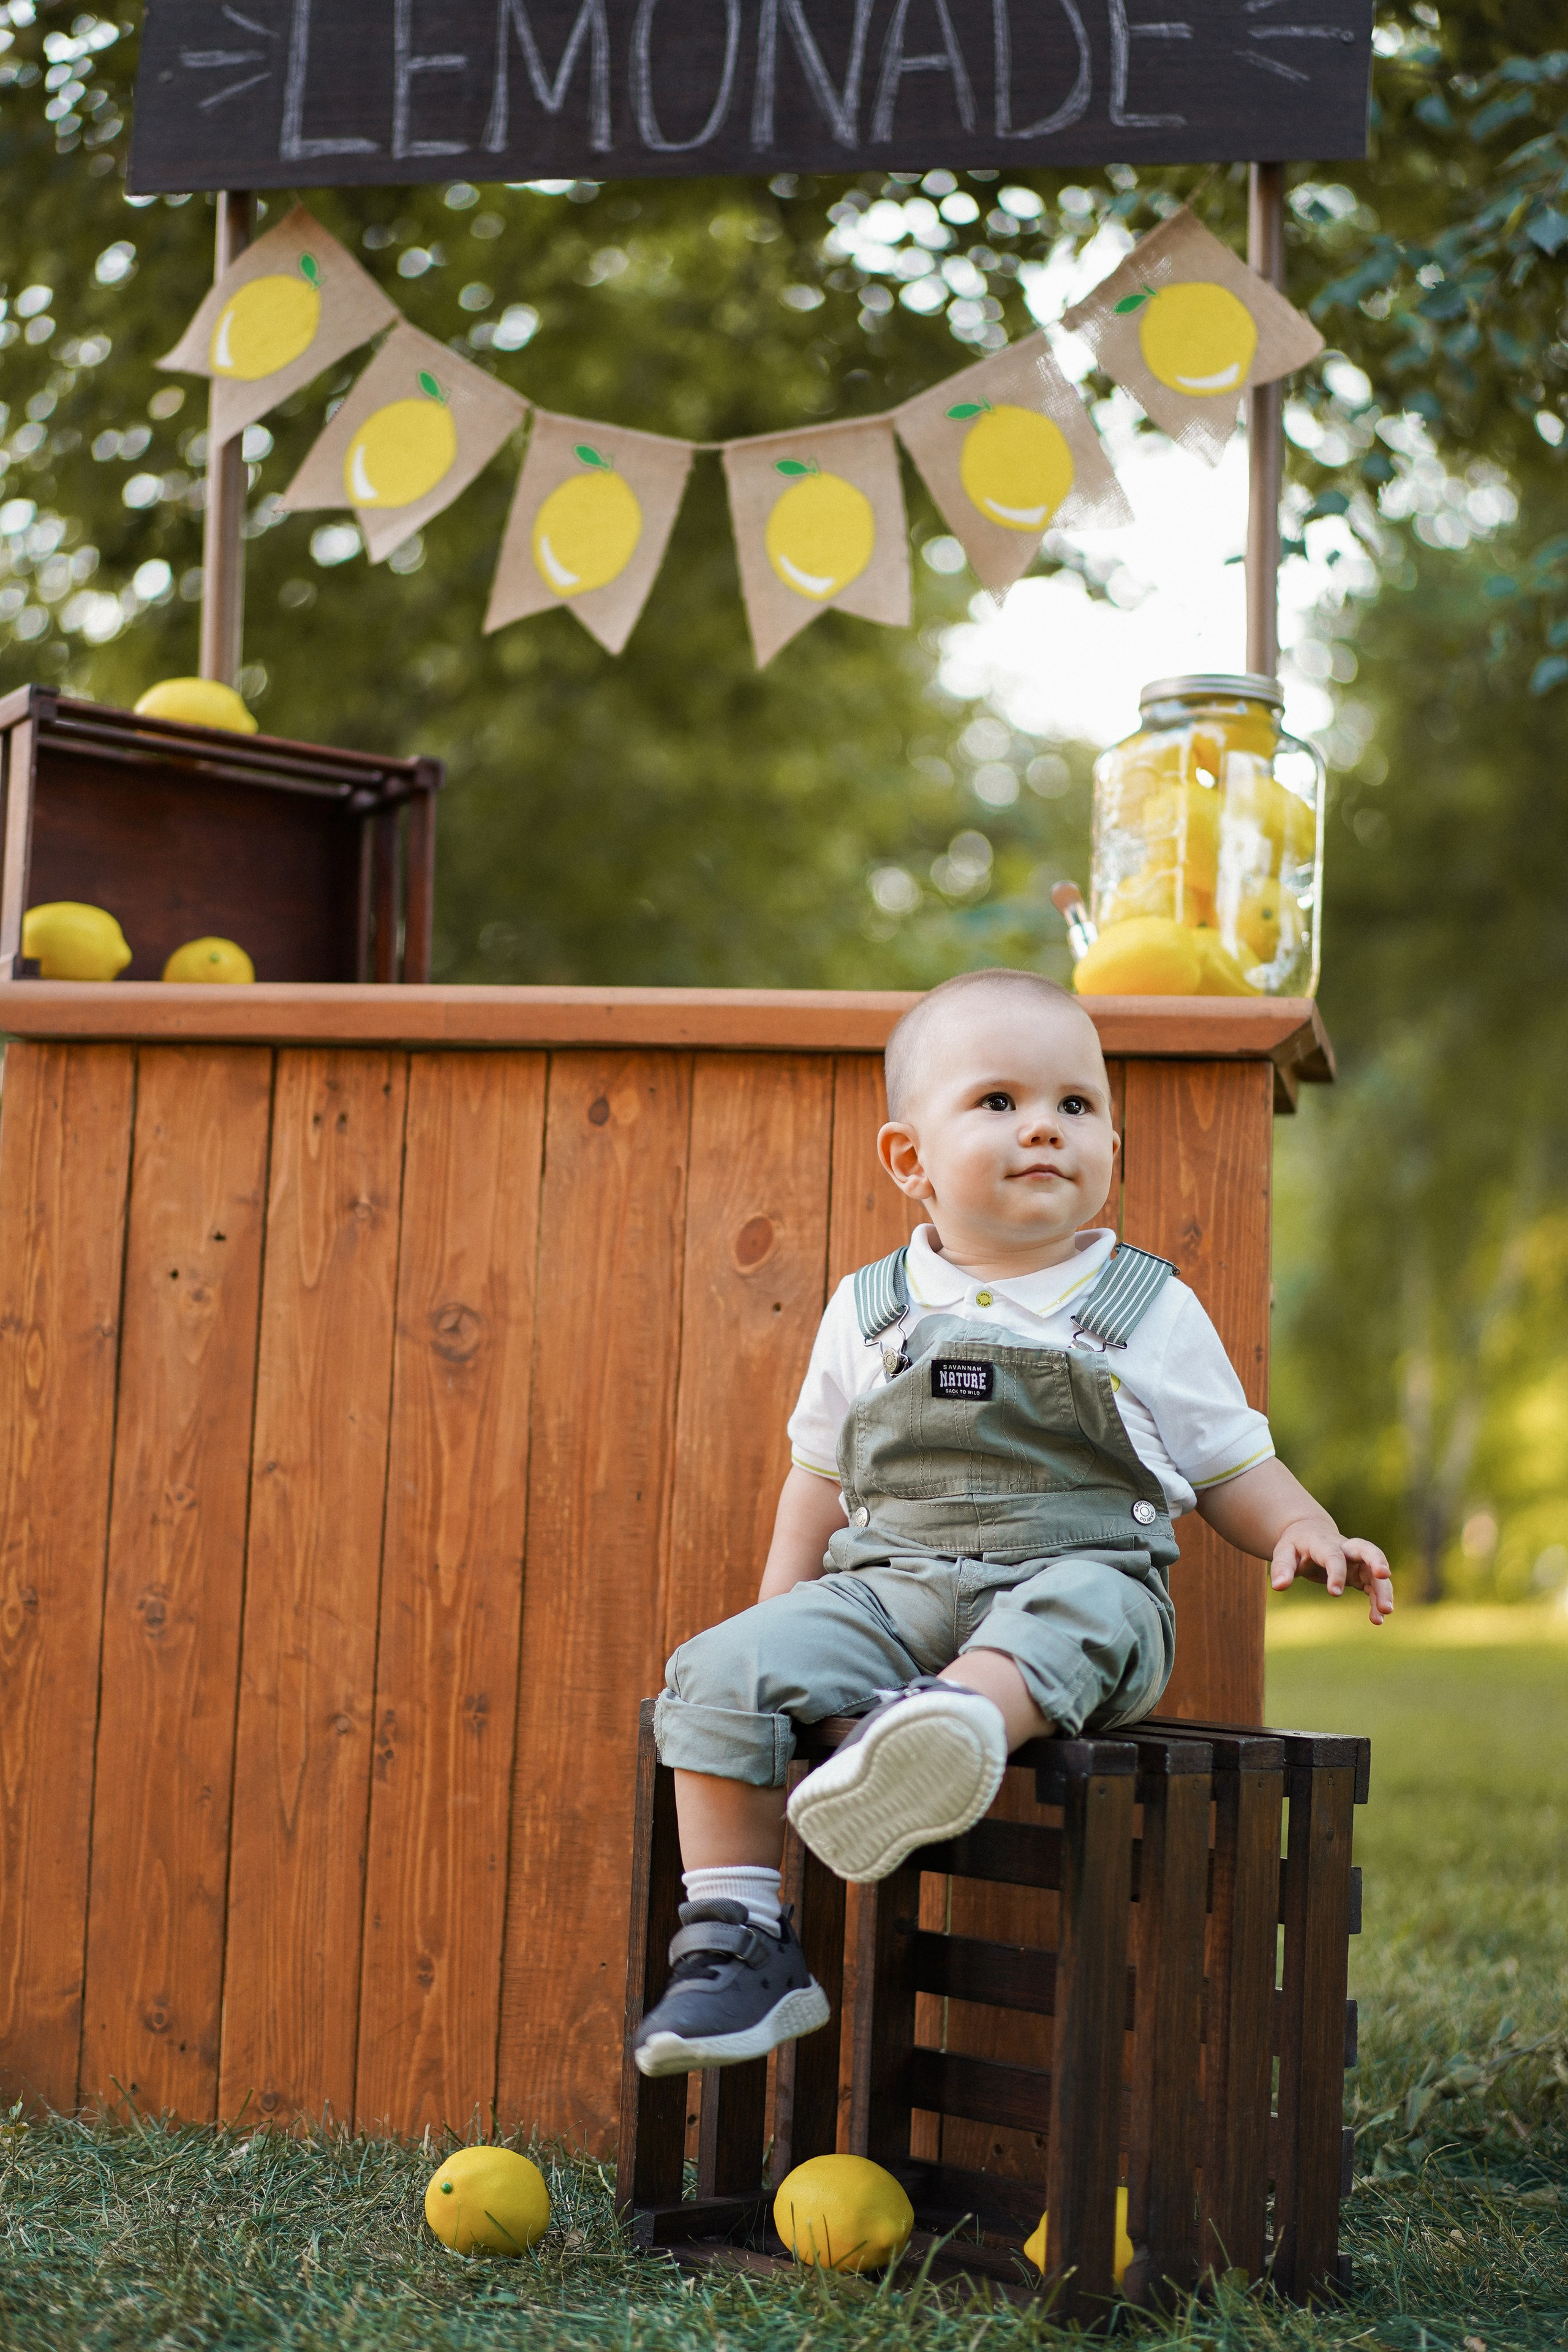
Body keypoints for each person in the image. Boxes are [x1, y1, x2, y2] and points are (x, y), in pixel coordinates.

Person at [633, 968, 1392, 2078]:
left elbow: (1234, 1463)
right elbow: (816, 1481)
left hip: (1078, 1585)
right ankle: (740, 1942)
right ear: (911, 1160)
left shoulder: (1140, 1305)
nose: (1045, 1126)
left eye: (1077, 1107)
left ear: (1111, 1150)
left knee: (1077, 1607)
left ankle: (951, 1729)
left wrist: (1303, 1525)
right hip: (888, 1590)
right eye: (999, 1103)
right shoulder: (870, 1308)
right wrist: (778, 1623)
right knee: (711, 1669)